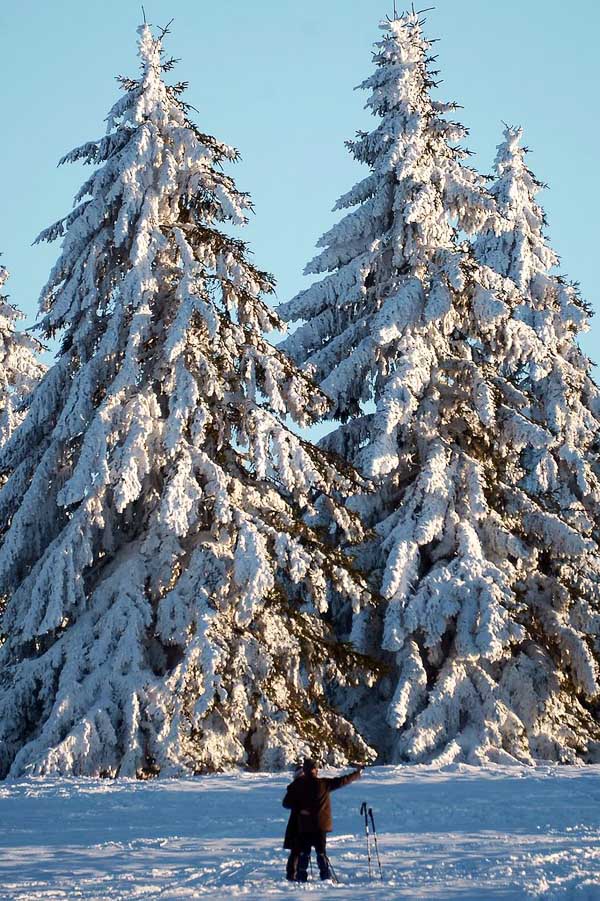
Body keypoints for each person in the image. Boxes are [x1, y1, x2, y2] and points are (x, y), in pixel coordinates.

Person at [282, 758, 362, 882]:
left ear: (305, 770)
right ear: (315, 770)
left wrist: (300, 809)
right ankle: (325, 876)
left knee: (304, 852)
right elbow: (342, 781)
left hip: (305, 825)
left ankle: (301, 876)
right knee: (321, 852)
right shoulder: (323, 783)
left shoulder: (298, 785)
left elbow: (286, 803)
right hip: (321, 825)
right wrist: (356, 774)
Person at [283, 764, 304, 881]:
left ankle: (295, 873)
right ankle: (293, 873)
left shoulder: (301, 786)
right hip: (297, 822)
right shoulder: (294, 787)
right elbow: (286, 803)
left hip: (299, 822)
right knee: (297, 850)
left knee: (297, 850)